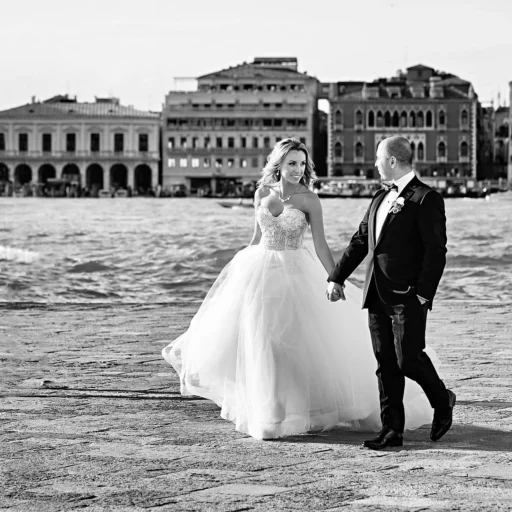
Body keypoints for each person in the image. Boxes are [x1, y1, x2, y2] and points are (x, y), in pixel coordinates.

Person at [162, 138, 437, 441]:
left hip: (296, 273)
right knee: (261, 342)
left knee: (289, 343)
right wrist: (237, 272)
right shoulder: (261, 193)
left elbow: (320, 244)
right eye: (292, 163)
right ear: (278, 164)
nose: (298, 169)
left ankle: (294, 411)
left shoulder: (309, 199)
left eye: (302, 164)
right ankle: (268, 413)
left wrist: (336, 277)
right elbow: (256, 238)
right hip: (260, 271)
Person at [327, 136, 455, 450]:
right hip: (376, 294)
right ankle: (392, 430)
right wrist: (337, 277)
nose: (375, 164)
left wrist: (424, 295)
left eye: (378, 159)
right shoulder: (378, 198)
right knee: (385, 362)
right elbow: (360, 241)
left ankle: (442, 400)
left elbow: (436, 252)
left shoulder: (426, 199)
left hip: (408, 296)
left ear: (392, 161)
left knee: (407, 359)